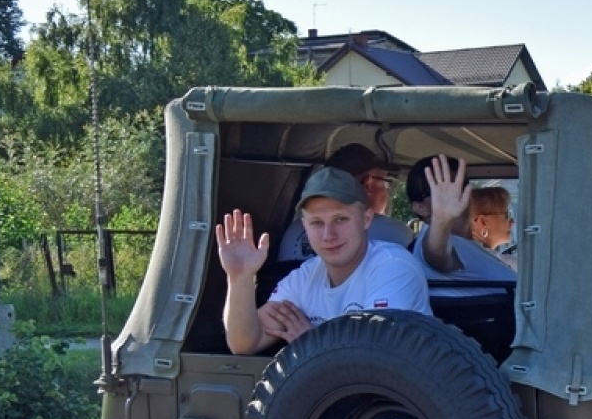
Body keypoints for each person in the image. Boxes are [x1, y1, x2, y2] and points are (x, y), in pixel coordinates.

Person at [215, 167, 431, 355]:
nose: (329, 235)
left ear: (366, 219)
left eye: (340, 219)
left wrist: (312, 343)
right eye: (317, 222)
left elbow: (372, 356)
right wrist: (240, 278)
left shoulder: (393, 267)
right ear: (304, 226)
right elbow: (244, 343)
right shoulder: (304, 278)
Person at [278, 144, 412, 261]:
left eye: (340, 219)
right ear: (368, 185)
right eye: (385, 183)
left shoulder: (293, 229)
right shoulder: (394, 232)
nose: (328, 236)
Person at [406, 155, 517, 284]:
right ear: (420, 208)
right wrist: (441, 220)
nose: (453, 194)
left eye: (460, 186)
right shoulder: (432, 243)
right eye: (440, 191)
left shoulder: (467, 246)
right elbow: (436, 255)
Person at [468, 185, 517, 271]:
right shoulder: (509, 265)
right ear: (483, 222)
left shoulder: (462, 256)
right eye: (506, 215)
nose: (513, 222)